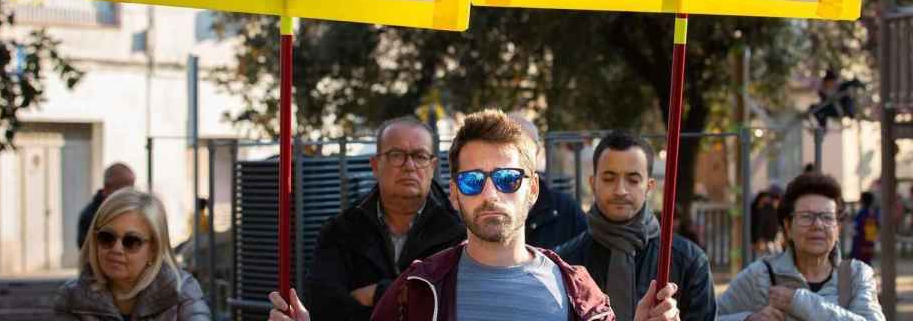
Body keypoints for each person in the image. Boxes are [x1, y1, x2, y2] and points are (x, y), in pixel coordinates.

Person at [268, 109, 679, 321]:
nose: (489, 193)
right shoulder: (415, 290)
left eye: (506, 178)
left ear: (532, 188)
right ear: (454, 193)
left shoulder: (579, 292)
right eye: (471, 181)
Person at [304, 116, 465, 321]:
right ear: (375, 165)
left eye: (420, 156)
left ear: (432, 167)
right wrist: (408, 298)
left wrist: (378, 293)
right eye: (396, 155)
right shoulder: (340, 232)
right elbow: (324, 308)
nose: (409, 165)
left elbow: (455, 308)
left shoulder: (458, 234)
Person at [558, 132, 716, 321]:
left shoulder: (690, 262)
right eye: (609, 178)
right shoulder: (564, 264)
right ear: (593, 183)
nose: (620, 190)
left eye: (633, 180)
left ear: (649, 186)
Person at [717, 172, 884, 321]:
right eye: (806, 217)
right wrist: (748, 319)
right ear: (788, 227)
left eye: (827, 217)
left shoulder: (856, 276)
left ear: (838, 228)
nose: (818, 225)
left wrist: (799, 302)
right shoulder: (759, 276)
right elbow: (710, 315)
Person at [54, 188, 210, 320]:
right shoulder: (72, 297)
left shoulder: (181, 291)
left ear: (154, 250)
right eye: (107, 237)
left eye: (131, 241)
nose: (116, 249)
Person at [512, 113, 588, 249]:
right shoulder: (480, 207)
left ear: (537, 152)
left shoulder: (566, 210)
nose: (514, 157)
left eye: (523, 149)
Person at [78, 163, 136, 248]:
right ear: (107, 187)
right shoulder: (90, 216)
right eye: (123, 188)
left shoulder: (136, 212)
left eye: (131, 188)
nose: (129, 194)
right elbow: (86, 250)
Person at [850, 192, 878, 265]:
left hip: (860, 244)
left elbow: (855, 228)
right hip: (867, 244)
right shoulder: (872, 214)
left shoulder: (862, 214)